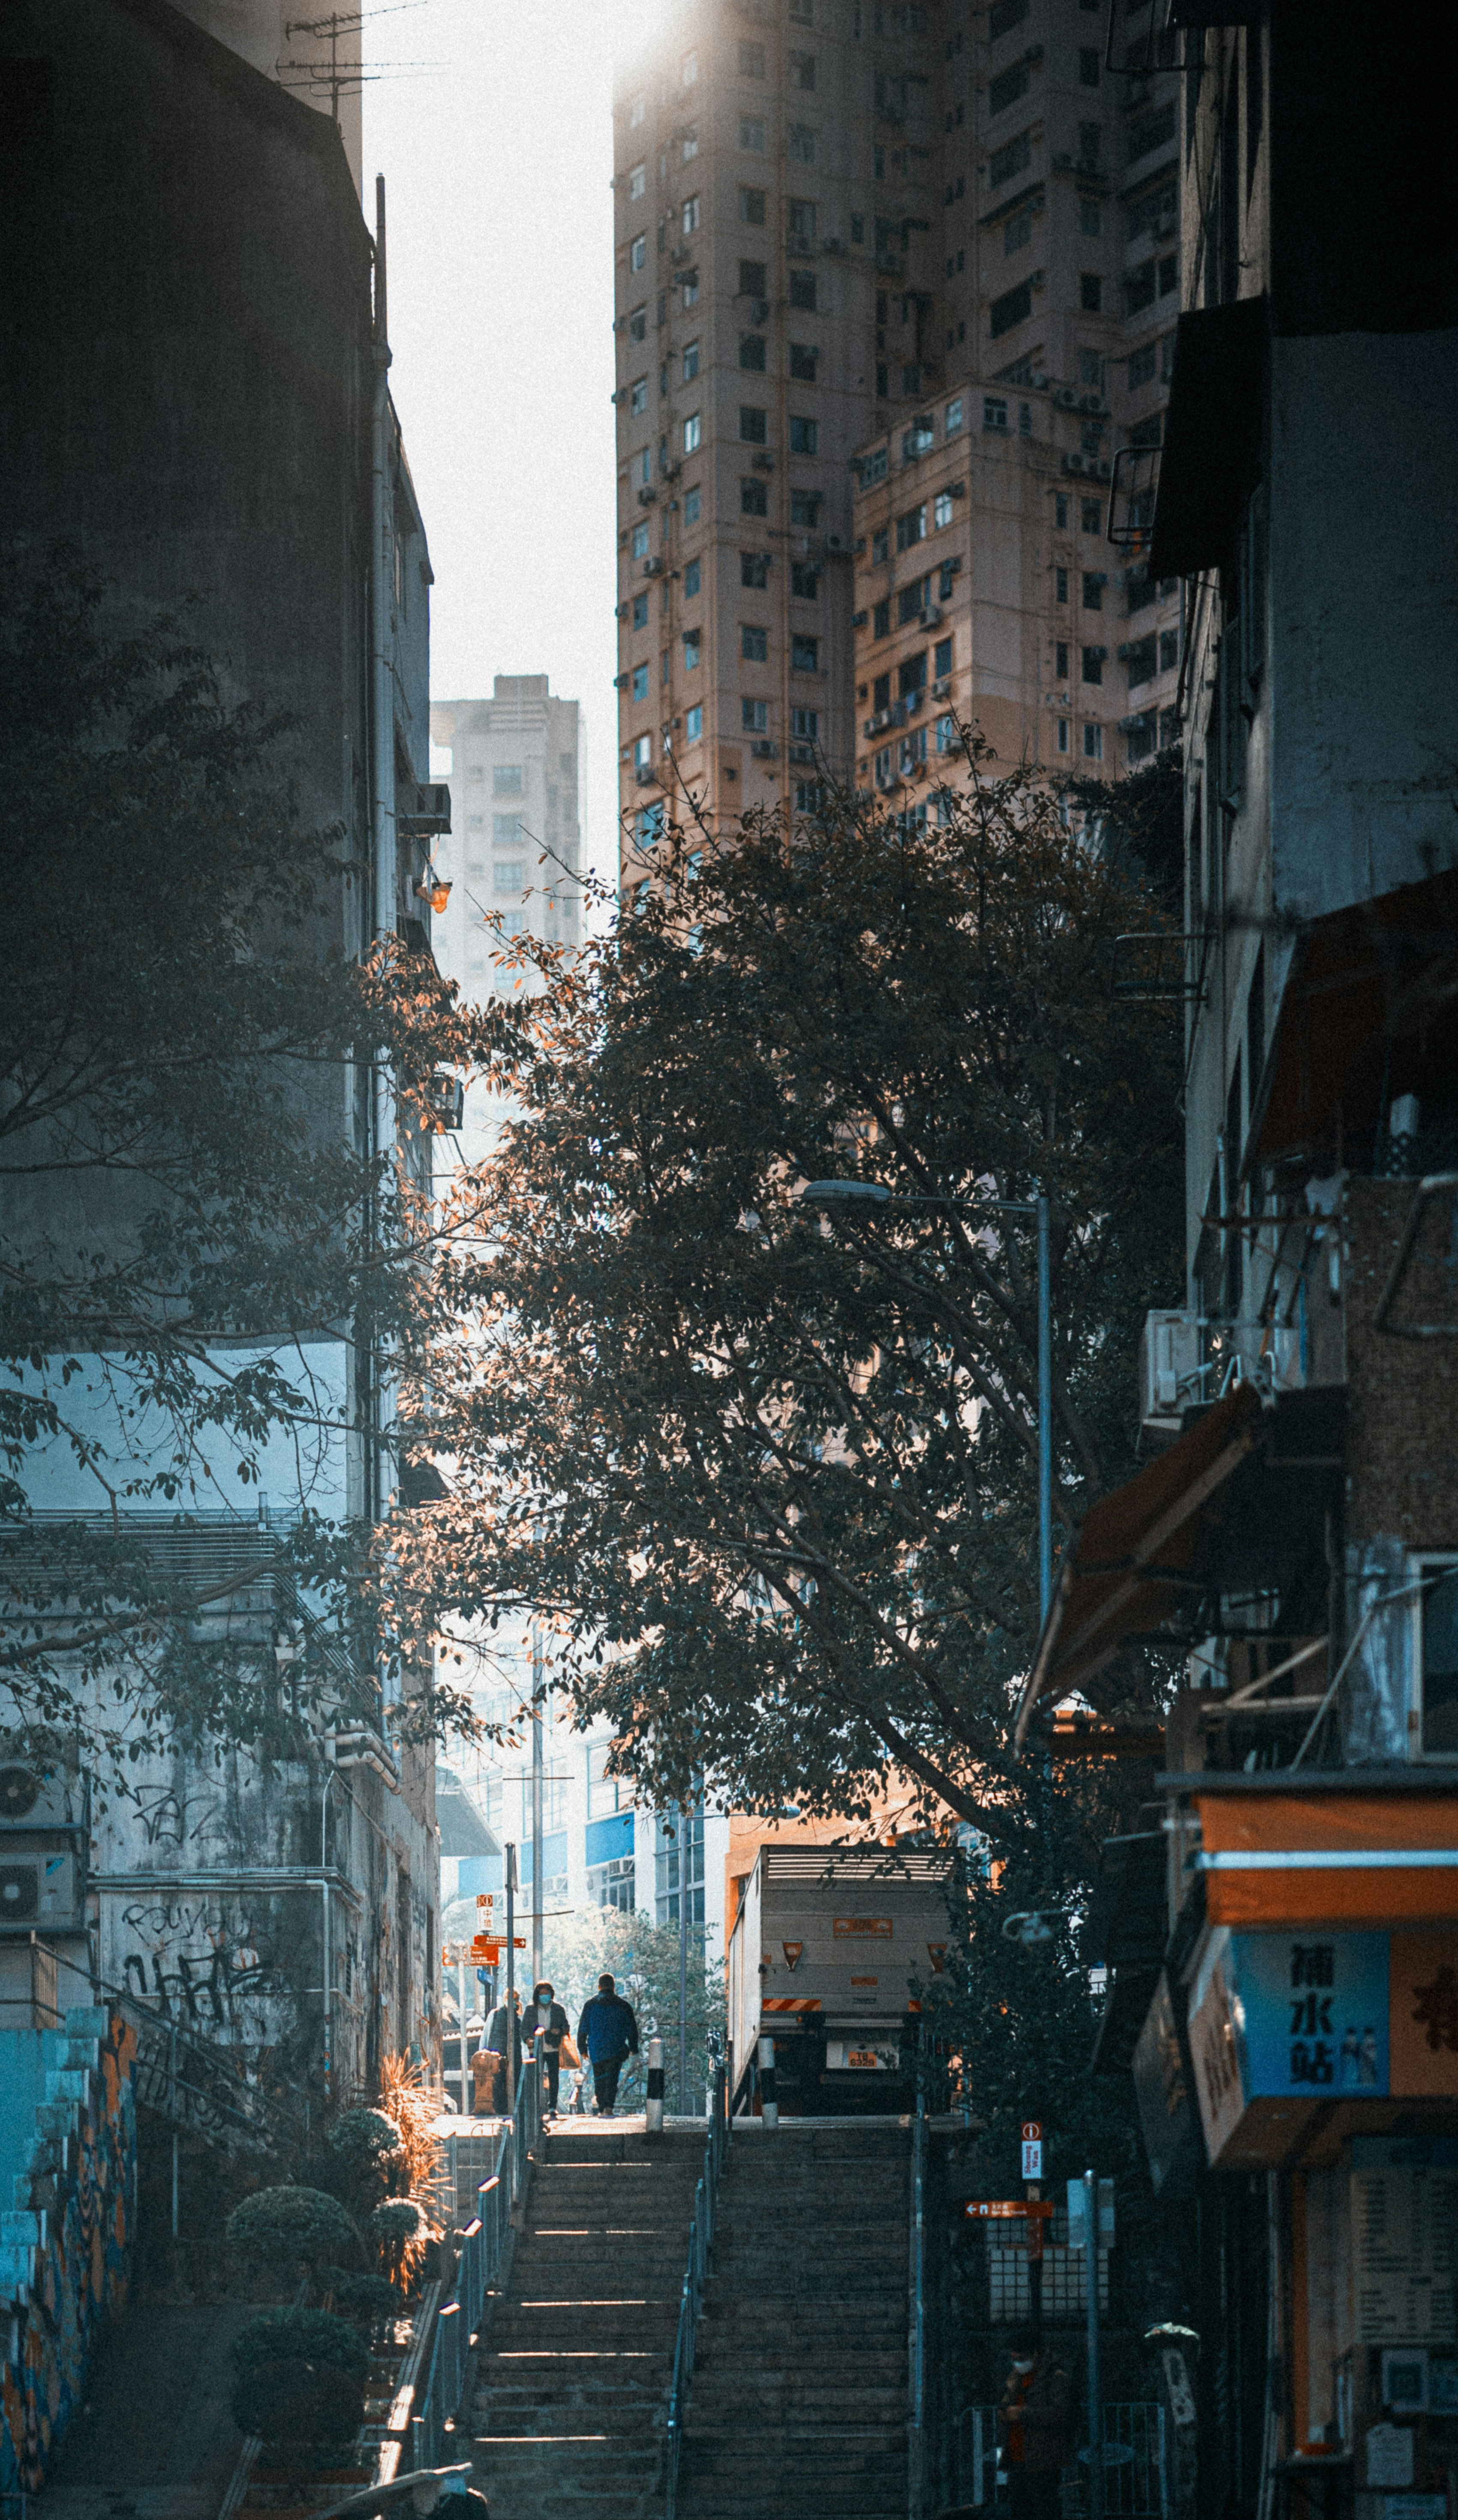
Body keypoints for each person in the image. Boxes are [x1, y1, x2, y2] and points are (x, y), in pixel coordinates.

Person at [997, 2330, 1074, 2520]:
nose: (1017, 2363)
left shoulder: (1055, 2377)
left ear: (1035, 2354)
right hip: (1018, 2455)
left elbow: (1060, 2413)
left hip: (1042, 2458)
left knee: (1044, 2507)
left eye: (1021, 2358)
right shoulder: (1016, 2377)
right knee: (1019, 2507)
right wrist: (1004, 2412)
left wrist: (1022, 2414)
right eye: (1014, 2358)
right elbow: (1007, 2401)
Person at [576, 1972, 640, 2116]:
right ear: (614, 1987)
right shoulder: (624, 2006)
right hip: (616, 2048)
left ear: (599, 1987)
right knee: (612, 2078)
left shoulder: (590, 2005)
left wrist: (582, 2048)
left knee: (599, 2078)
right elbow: (632, 2029)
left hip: (596, 2048)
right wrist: (633, 2047)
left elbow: (583, 2028)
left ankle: (602, 2106)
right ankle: (608, 2106)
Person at [522, 1979, 572, 2117]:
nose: (545, 1996)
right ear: (537, 1995)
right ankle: (537, 2105)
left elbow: (566, 2027)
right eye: (542, 1994)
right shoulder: (530, 2010)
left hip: (553, 2048)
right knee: (536, 2078)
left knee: (554, 2078)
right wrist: (528, 2039)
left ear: (551, 1994)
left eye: (547, 1994)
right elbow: (524, 2029)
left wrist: (560, 2031)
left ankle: (552, 2106)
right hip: (536, 2048)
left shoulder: (558, 2009)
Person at [483, 1985, 523, 2116]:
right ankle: (498, 2110)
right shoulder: (495, 2014)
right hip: (496, 2057)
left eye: (515, 1999)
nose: (512, 2001)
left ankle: (511, 2111)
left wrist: (519, 2015)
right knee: (497, 2084)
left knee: (514, 2084)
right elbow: (486, 2035)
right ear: (504, 1999)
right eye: (509, 1998)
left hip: (515, 2058)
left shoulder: (517, 2019)